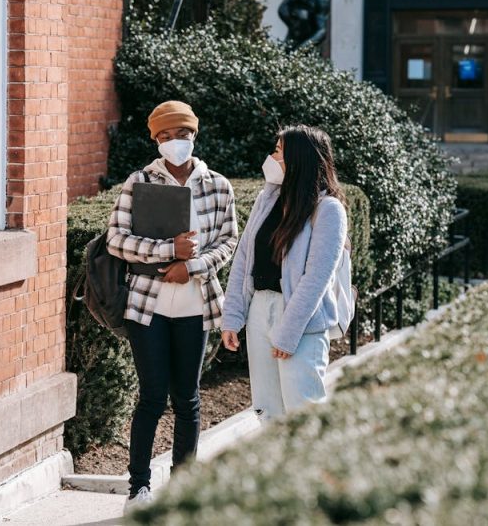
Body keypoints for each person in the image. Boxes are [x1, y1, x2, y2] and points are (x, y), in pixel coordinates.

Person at [106, 100, 238, 512]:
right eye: (164, 136)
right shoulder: (139, 181)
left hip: (195, 307)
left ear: (193, 134)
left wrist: (192, 265)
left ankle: (184, 491)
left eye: (181, 134)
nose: (173, 142)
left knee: (188, 398)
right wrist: (167, 251)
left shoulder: (218, 185)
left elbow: (229, 241)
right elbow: (116, 240)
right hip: (148, 306)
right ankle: (139, 488)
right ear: (155, 139)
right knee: (150, 397)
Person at [220, 125, 349, 422]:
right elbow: (244, 259)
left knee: (303, 412)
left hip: (300, 320)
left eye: (278, 151)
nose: (271, 157)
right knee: (268, 411)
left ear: (299, 159)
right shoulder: (267, 200)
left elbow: (317, 279)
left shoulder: (328, 209)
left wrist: (288, 334)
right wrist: (232, 317)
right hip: (260, 311)